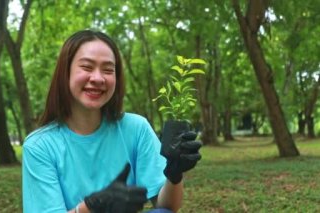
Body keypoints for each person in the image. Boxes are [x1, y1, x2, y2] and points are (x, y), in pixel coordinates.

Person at [22, 29, 202, 213]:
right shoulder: (39, 146)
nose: (98, 78)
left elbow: (167, 208)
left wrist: (174, 175)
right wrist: (93, 205)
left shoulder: (136, 129)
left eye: (108, 70)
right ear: (65, 72)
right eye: (86, 67)